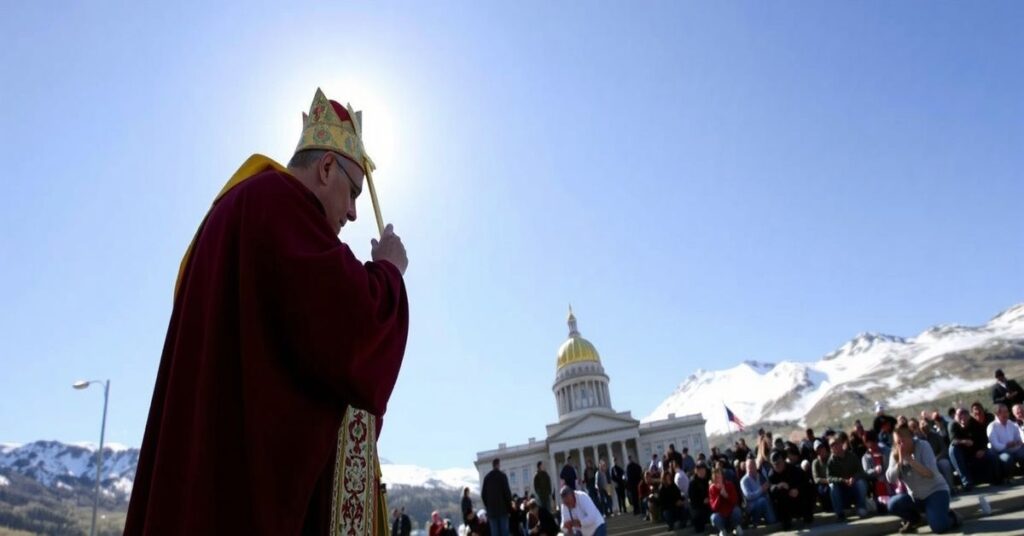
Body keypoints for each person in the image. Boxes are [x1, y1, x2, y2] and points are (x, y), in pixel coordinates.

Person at [124, 89, 409, 535]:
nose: (354, 212)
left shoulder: (237, 207)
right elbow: (351, 329)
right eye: (352, 191)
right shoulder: (280, 206)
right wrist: (389, 272)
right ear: (327, 166)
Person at [886, 426, 960, 534]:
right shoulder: (895, 453)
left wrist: (911, 461)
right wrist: (899, 463)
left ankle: (953, 517)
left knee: (939, 527)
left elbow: (930, 473)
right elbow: (890, 479)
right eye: (898, 442)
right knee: (892, 504)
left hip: (936, 492)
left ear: (911, 438)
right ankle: (915, 520)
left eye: (903, 441)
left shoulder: (923, 446)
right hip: (916, 497)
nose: (900, 445)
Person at [949, 407, 1001, 489]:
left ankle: (997, 478)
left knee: (992, 454)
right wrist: (964, 442)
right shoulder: (953, 425)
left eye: (964, 414)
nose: (962, 417)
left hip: (976, 452)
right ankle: (966, 482)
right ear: (955, 417)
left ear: (968, 416)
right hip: (962, 454)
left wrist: (982, 450)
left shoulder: (975, 424)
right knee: (952, 449)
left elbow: (984, 439)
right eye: (959, 415)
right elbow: (953, 441)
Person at [826, 434, 869, 520]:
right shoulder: (831, 461)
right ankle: (839, 513)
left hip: (853, 485)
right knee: (832, 487)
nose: (833, 447)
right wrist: (842, 480)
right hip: (841, 487)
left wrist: (854, 478)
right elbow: (829, 477)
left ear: (841, 444)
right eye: (831, 446)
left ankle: (861, 507)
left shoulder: (852, 456)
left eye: (835, 444)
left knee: (861, 483)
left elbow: (861, 472)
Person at [768, 450, 814, 531]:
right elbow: (770, 490)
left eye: (779, 463)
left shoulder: (793, 469)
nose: (777, 466)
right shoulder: (772, 474)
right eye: (775, 464)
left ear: (783, 461)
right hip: (785, 502)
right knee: (779, 495)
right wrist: (778, 486)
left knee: (807, 491)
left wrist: (797, 489)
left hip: (797, 497)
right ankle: (786, 522)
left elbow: (806, 482)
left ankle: (807, 516)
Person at [987, 403, 1024, 475]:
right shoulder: (992, 426)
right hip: (1000, 452)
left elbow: (1018, 437)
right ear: (997, 414)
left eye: (1007, 412)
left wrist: (1018, 442)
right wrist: (1007, 445)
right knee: (1007, 457)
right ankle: (1008, 477)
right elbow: (995, 445)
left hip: (1015, 449)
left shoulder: (1012, 424)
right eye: (1003, 412)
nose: (1006, 414)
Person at [740, 458, 774, 527]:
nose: (751, 469)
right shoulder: (744, 481)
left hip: (765, 502)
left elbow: (766, 488)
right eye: (749, 467)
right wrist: (761, 490)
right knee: (762, 500)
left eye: (752, 466)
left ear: (756, 466)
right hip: (752, 507)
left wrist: (767, 487)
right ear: (746, 468)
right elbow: (748, 496)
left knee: (768, 500)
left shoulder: (760, 476)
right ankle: (755, 520)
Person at [482, 459, 513, 536]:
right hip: (503, 510)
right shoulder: (502, 476)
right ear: (498, 465)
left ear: (492, 465)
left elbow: (483, 495)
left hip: (492, 512)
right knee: (504, 533)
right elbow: (507, 494)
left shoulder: (487, 478)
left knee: (495, 534)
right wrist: (509, 509)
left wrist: (488, 507)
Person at [688, 461, 712, 533]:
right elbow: (692, 498)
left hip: (710, 503)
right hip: (698, 506)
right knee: (698, 523)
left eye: (703, 469)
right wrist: (702, 501)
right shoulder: (693, 482)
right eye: (699, 470)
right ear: (696, 471)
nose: (701, 471)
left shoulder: (709, 479)